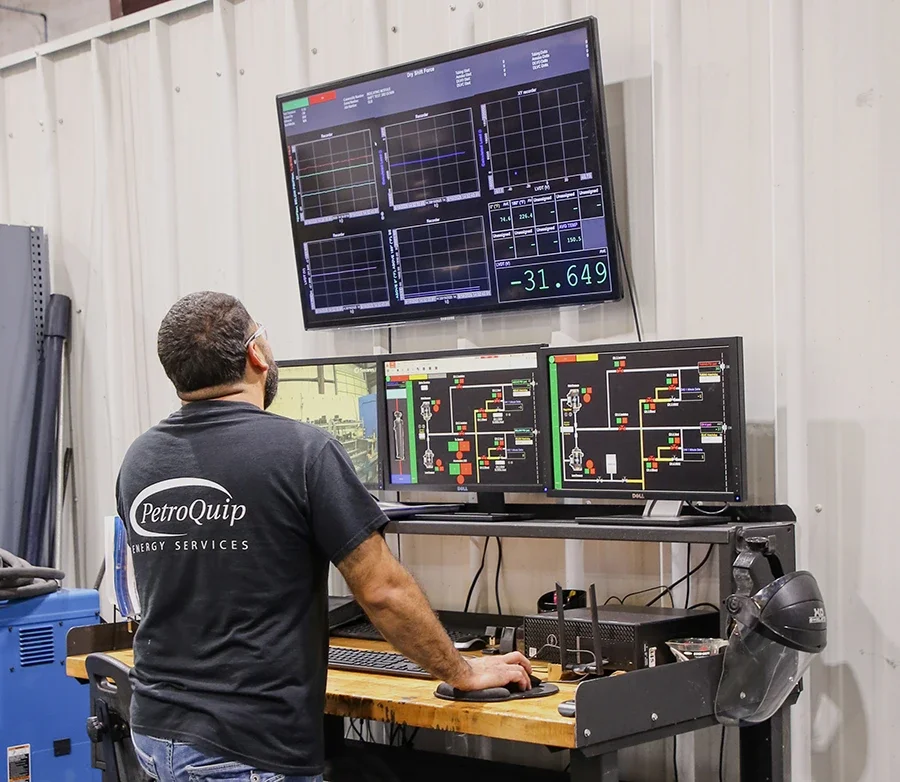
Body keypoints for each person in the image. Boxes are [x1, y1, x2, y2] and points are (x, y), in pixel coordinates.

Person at [116, 291, 532, 782]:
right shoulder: (301, 452)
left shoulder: (139, 460)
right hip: (248, 750)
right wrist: (463, 672)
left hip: (154, 733)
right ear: (257, 355)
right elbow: (382, 592)